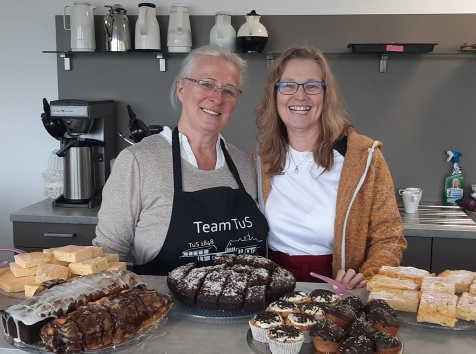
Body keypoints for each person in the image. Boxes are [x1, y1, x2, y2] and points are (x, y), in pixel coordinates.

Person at [94, 45, 269, 275]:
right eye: (207, 84)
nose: (217, 98)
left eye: (229, 90)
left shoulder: (246, 164)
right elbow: (106, 256)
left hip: (244, 309)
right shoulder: (138, 161)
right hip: (163, 308)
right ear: (181, 88)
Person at [254, 45, 406, 289]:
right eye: (288, 85)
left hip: (338, 290)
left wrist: (368, 275)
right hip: (273, 290)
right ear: (275, 95)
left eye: (312, 86)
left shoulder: (364, 158)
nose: (299, 96)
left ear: (326, 95)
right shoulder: (261, 161)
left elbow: (390, 236)